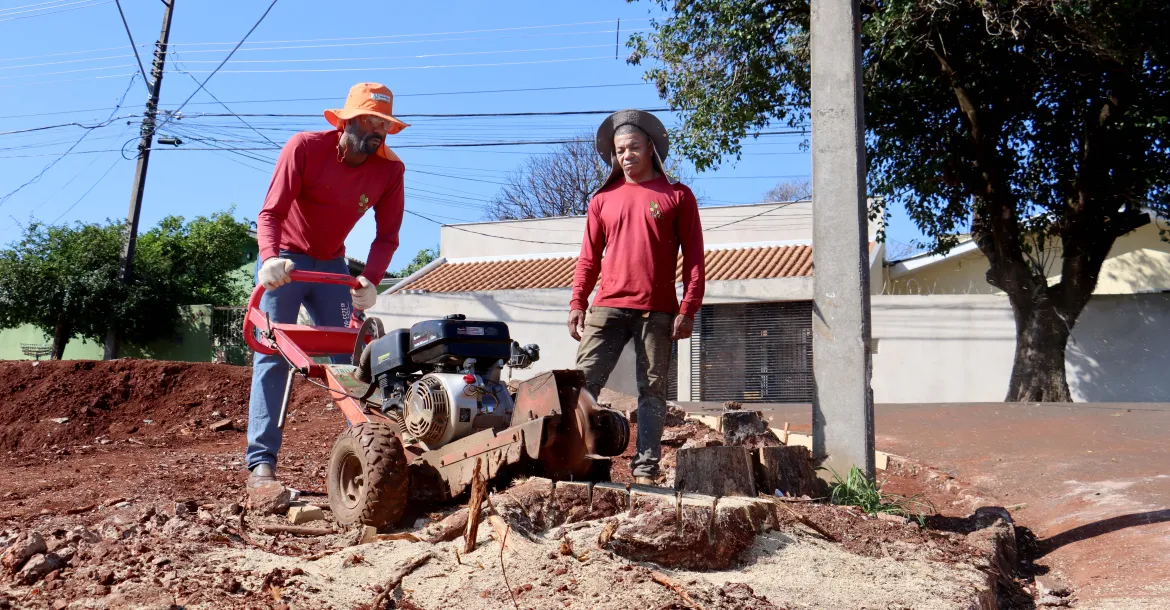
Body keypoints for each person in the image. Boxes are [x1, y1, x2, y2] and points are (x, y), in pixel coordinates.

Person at [246, 83, 408, 492]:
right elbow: (270, 211)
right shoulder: (305, 147)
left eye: (385, 125)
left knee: (352, 359)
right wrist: (268, 259)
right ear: (347, 121)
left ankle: (385, 453)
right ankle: (261, 467)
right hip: (286, 263)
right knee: (273, 351)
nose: (379, 131)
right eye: (371, 121)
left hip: (333, 267)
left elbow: (387, 236)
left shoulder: (390, 170)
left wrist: (371, 279)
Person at [568, 109, 705, 486]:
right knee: (582, 384)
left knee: (652, 392)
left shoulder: (677, 195)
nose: (626, 155)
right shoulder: (602, 200)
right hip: (608, 305)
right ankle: (577, 460)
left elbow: (694, 258)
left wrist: (689, 307)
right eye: (619, 150)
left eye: (633, 147)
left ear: (650, 150)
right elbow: (588, 258)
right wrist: (578, 302)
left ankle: (645, 469)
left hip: (657, 311)